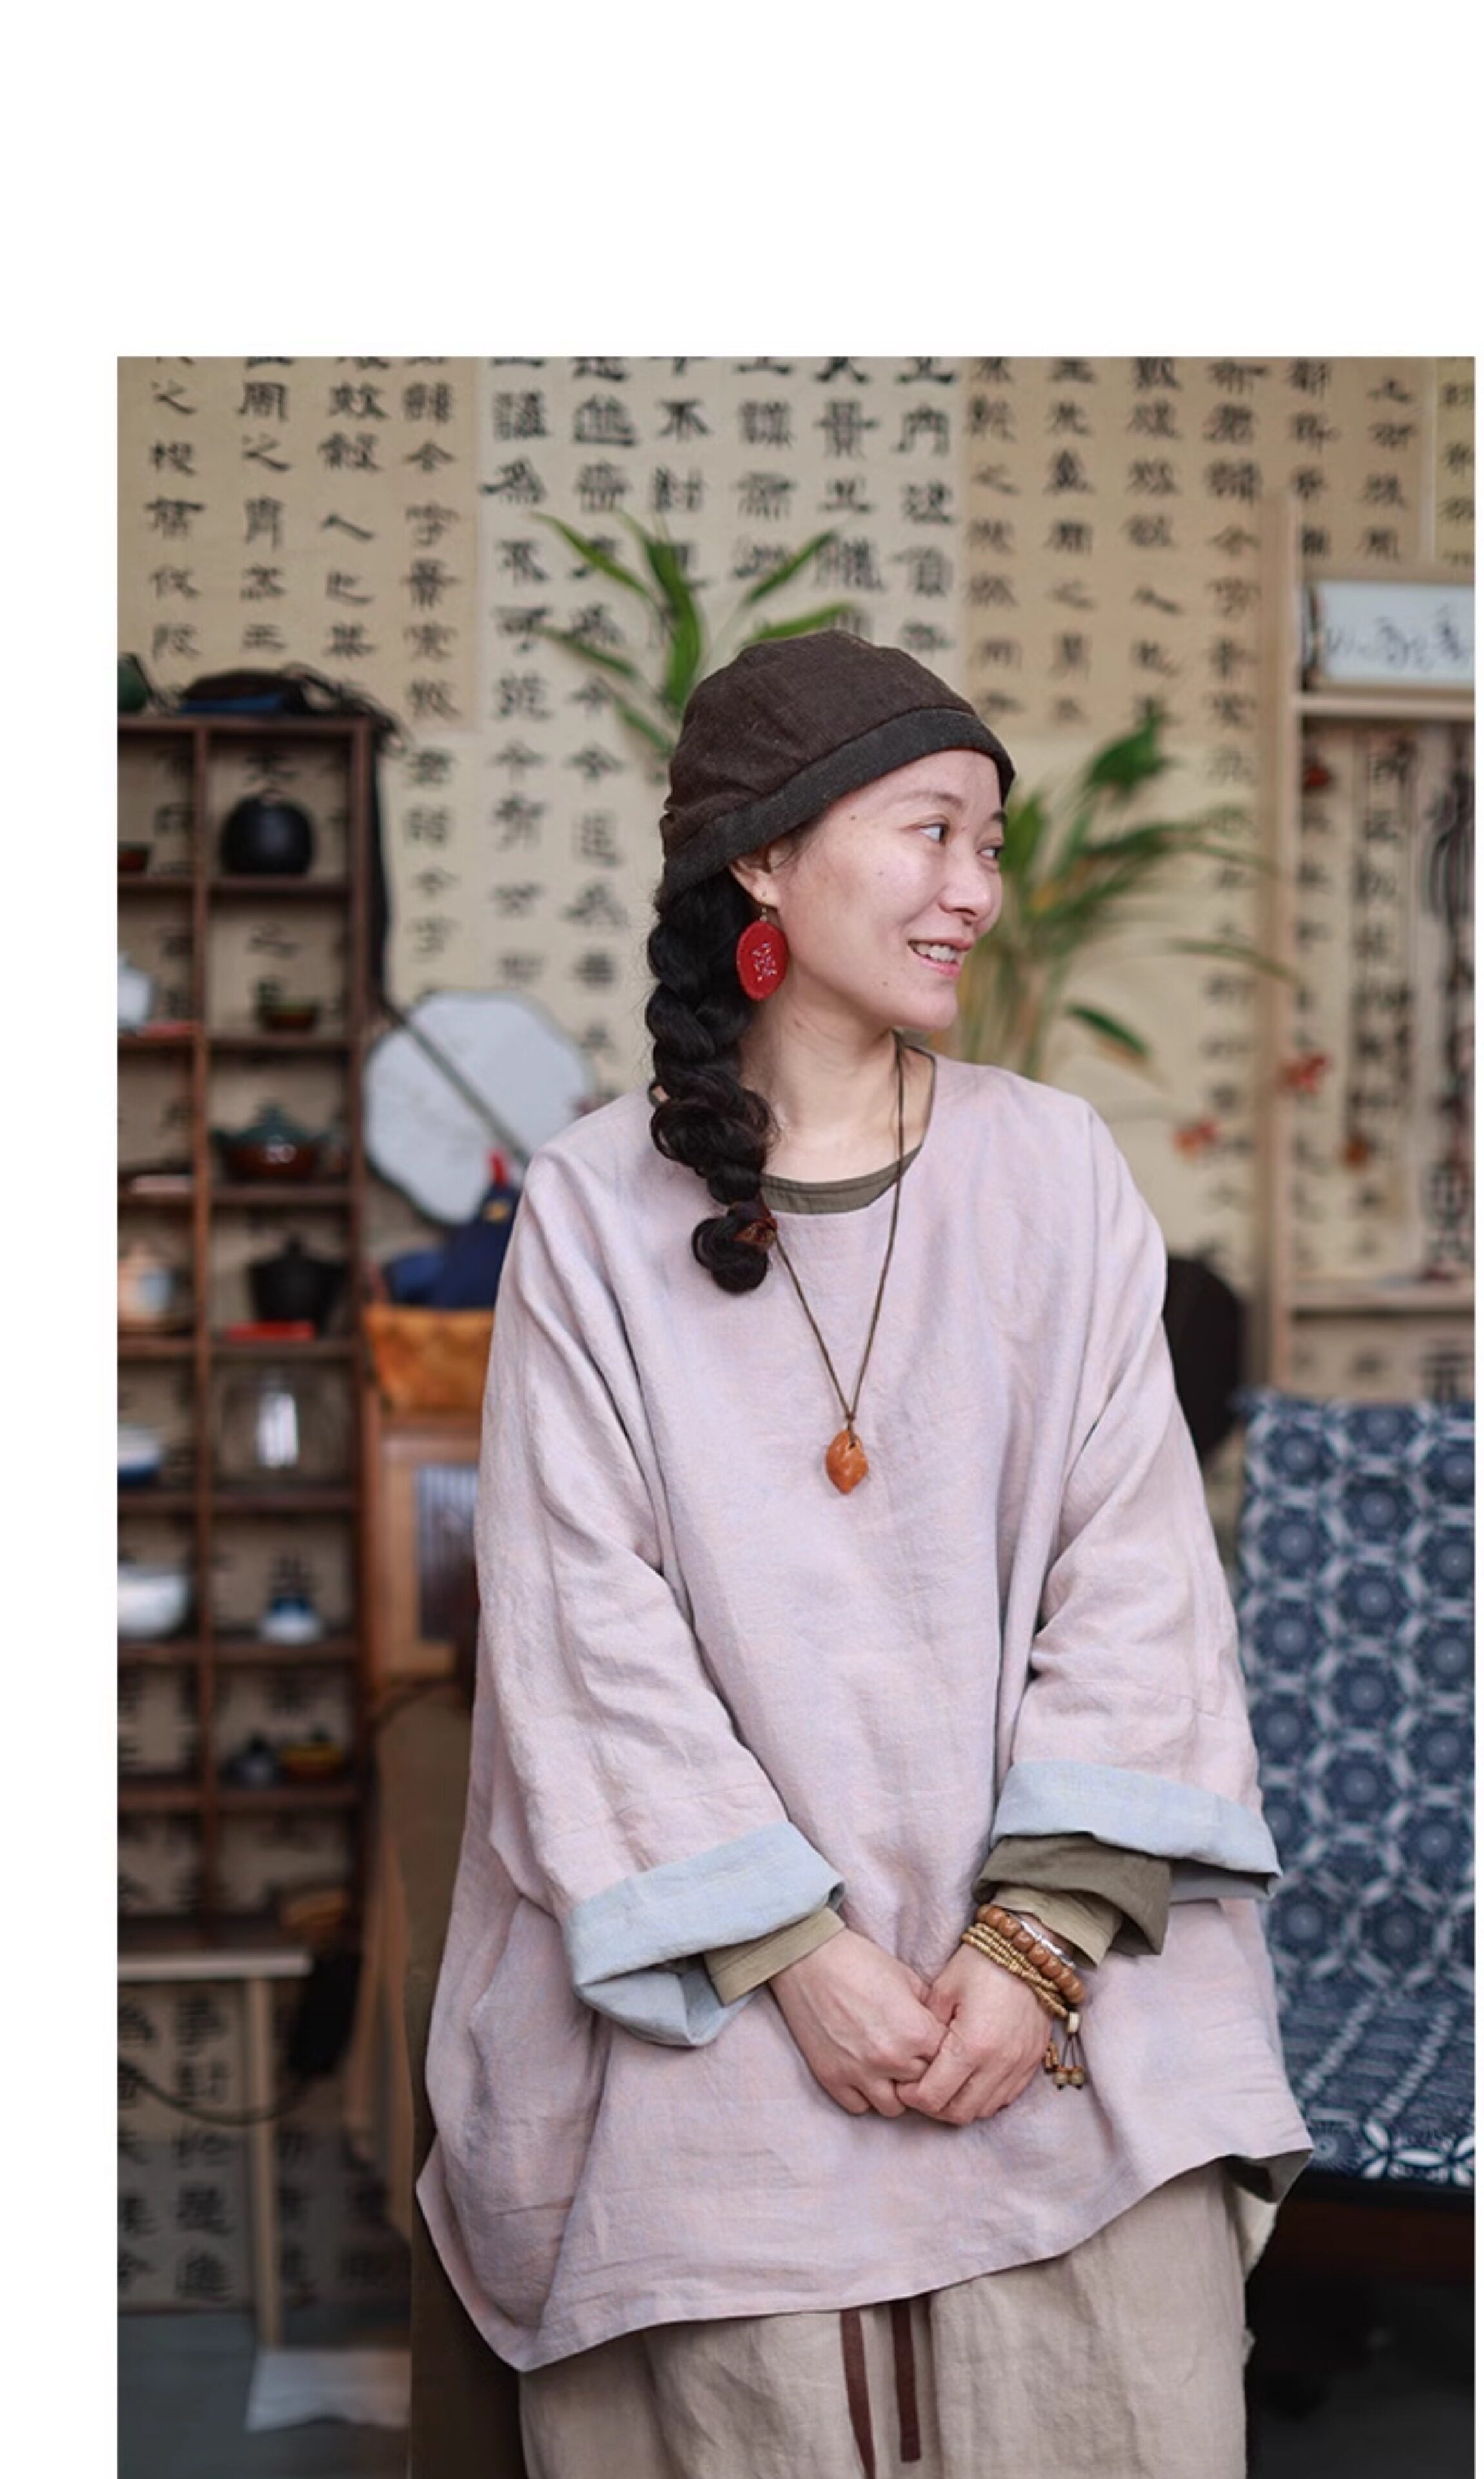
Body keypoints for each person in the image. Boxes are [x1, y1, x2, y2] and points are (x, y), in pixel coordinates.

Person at [418, 631, 1311, 2478]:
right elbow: (582, 1629)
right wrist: (803, 1957)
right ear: (765, 858)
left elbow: (1139, 1576)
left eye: (991, 845)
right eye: (931, 833)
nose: (975, 890)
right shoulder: (590, 1205)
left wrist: (1038, 1944)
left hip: (1041, 1957)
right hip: (727, 1966)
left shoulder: (1053, 1166)